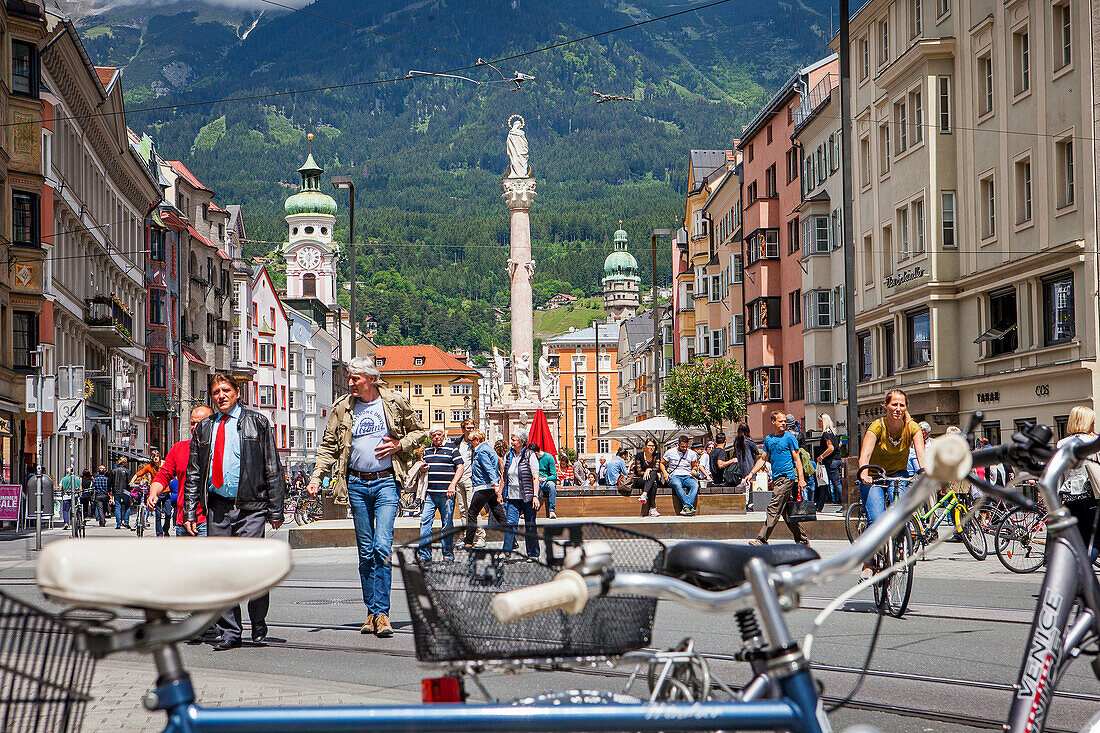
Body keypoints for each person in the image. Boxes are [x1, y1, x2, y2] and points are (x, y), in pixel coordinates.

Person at [310, 356, 426, 639]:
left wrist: (400, 444)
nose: (350, 382)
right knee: (365, 552)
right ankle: (371, 612)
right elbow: (328, 447)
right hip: (356, 485)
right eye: (349, 378)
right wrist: (316, 478)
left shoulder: (394, 402)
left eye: (355, 378)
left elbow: (419, 432)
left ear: (371, 379)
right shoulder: (342, 408)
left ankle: (383, 613)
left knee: (381, 545)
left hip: (386, 482)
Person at [185, 373, 285, 651]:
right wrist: (190, 512)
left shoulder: (258, 422)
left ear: (237, 392)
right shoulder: (204, 428)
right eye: (216, 391)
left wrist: (276, 510)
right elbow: (194, 473)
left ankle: (258, 621)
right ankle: (231, 632)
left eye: (226, 390)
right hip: (218, 507)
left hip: (251, 507)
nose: (221, 395)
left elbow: (272, 467)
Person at [855, 389, 926, 579]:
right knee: (876, 519)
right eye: (894, 404)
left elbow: (921, 454)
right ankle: (869, 562)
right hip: (874, 477)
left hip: (899, 475)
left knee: (903, 514)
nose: (898, 408)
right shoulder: (877, 427)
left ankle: (900, 547)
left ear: (906, 407)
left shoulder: (912, 428)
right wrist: (864, 472)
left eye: (901, 405)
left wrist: (925, 472)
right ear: (886, 406)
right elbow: (865, 455)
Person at [149, 406, 215, 537]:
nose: (195, 427)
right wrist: (153, 493)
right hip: (183, 520)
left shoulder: (219, 449)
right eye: (192, 423)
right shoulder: (179, 448)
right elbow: (163, 475)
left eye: (200, 423)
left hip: (209, 521)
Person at [745, 411, 810, 546]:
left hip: (787, 478)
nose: (784, 423)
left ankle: (762, 539)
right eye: (781, 421)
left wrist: (801, 479)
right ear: (773, 422)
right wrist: (751, 474)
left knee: (773, 507)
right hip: (777, 479)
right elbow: (763, 459)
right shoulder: (769, 439)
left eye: (785, 421)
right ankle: (803, 540)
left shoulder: (790, 438)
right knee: (787, 513)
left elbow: (797, 459)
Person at [417, 426, 465, 563]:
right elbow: (423, 468)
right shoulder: (426, 450)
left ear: (443, 435)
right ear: (430, 437)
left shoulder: (451, 448)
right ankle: (424, 555)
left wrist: (453, 484)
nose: (436, 437)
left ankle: (448, 554)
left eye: (439, 434)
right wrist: (422, 468)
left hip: (446, 493)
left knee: (447, 524)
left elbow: (460, 467)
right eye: (433, 435)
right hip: (430, 494)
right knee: (425, 522)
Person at [1057, 406, 1100, 554]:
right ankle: (1083, 569)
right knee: (1095, 541)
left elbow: (1059, 473)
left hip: (1069, 496)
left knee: (1077, 539)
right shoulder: (1094, 441)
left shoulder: (1062, 444)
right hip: (1091, 496)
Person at [502, 429, 540, 557]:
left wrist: (535, 496)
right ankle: (506, 552)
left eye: (514, 440)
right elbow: (504, 476)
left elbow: (535, 477)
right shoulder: (508, 455)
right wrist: (499, 493)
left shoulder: (530, 455)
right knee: (510, 524)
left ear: (522, 442)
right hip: (512, 497)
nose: (511, 442)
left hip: (528, 496)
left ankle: (533, 553)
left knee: (530, 525)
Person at [465, 429, 506, 546]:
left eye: (471, 440)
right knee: (499, 515)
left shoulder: (482, 451)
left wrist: (495, 485)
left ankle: (468, 542)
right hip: (490, 488)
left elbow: (489, 469)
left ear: (477, 440)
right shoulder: (488, 449)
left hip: (483, 487)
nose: (470, 443)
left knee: (472, 513)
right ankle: (512, 540)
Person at [448, 419, 485, 548]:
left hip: (471, 479)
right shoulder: (458, 443)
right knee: (463, 510)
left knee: (473, 509)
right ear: (463, 429)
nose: (470, 430)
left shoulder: (476, 443)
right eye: (468, 428)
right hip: (458, 479)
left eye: (472, 427)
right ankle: (466, 536)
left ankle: (480, 536)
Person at [662, 435, 700, 516]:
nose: (684, 449)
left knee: (695, 485)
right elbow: (662, 463)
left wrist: (694, 470)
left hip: (687, 475)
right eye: (682, 446)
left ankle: (686, 506)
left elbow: (695, 465)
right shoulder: (670, 452)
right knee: (677, 485)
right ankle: (689, 506)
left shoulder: (692, 453)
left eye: (686, 446)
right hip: (675, 475)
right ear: (678, 444)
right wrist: (665, 473)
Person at [634, 438, 667, 517]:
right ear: (645, 446)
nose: (651, 447)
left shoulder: (656, 455)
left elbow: (657, 468)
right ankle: (652, 508)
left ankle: (644, 494)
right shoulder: (639, 455)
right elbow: (638, 471)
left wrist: (649, 469)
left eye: (653, 446)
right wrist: (646, 472)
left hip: (651, 479)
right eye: (649, 445)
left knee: (654, 478)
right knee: (653, 481)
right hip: (640, 479)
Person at [818, 414, 844, 510]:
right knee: (830, 482)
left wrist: (821, 456)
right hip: (837, 459)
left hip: (830, 461)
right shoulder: (834, 433)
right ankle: (820, 505)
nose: (818, 423)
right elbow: (839, 444)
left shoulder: (826, 434)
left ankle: (845, 503)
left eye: (820, 421)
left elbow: (831, 448)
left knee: (833, 483)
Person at [732, 424, 760, 511]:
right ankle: (746, 504)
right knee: (748, 485)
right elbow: (756, 451)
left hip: (739, 466)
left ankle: (743, 502)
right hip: (749, 465)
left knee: (742, 484)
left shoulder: (736, 441)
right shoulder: (749, 441)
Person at [109, 458, 132, 530]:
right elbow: (129, 482)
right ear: (125, 463)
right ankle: (126, 522)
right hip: (125, 491)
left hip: (116, 490)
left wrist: (109, 490)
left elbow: (110, 481)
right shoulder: (127, 471)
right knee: (127, 506)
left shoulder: (113, 471)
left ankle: (118, 524)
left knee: (117, 506)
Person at [537, 444, 558, 519]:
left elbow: (554, 476)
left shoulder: (549, 457)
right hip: (536, 480)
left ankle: (552, 511)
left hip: (546, 480)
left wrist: (544, 478)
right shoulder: (532, 458)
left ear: (537, 452)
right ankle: (528, 510)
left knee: (552, 486)